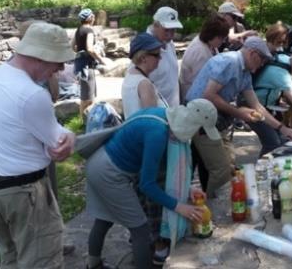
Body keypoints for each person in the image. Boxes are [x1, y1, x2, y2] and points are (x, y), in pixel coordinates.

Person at [0, 22, 77, 268]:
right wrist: (70, 136)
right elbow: (58, 145)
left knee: (11, 259)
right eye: (58, 61)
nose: (61, 68)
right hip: (24, 196)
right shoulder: (32, 95)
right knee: (42, 262)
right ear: (40, 57)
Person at [85, 99, 218, 269]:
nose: (198, 135)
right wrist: (179, 206)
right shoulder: (158, 133)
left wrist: (189, 188)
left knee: (104, 218)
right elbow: (147, 185)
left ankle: (93, 264)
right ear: (191, 125)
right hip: (109, 173)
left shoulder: (163, 115)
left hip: (100, 162)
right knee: (140, 229)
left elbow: (152, 172)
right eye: (200, 131)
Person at [186, 36, 292, 196]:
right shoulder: (230, 62)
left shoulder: (245, 72)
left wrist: (282, 128)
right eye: (261, 60)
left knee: (228, 167)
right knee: (222, 170)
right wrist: (239, 112)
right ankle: (207, 211)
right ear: (253, 54)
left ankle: (209, 204)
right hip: (199, 117)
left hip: (216, 120)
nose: (261, 65)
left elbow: (257, 106)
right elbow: (209, 95)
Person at [179, 14, 231, 101]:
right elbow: (203, 82)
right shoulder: (199, 52)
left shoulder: (209, 44)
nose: (223, 41)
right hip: (193, 98)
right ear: (213, 35)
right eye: (221, 38)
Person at [122, 33, 167, 118]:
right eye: (156, 55)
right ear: (143, 58)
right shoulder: (144, 84)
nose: (160, 58)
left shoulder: (130, 74)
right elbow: (152, 121)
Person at [146, 6, 183, 107]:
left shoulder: (169, 43)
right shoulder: (145, 48)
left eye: (173, 30)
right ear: (156, 25)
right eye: (166, 30)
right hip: (157, 113)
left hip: (173, 109)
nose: (170, 35)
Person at [74, 8, 108, 116]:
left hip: (80, 64)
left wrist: (80, 53)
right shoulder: (89, 30)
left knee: (86, 95)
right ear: (90, 18)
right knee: (88, 97)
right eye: (93, 16)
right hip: (87, 67)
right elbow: (90, 48)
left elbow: (72, 46)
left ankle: (82, 119)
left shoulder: (78, 29)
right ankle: (84, 121)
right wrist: (101, 60)